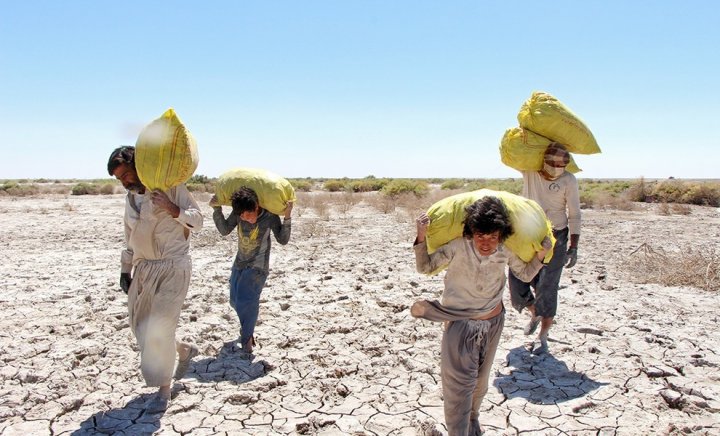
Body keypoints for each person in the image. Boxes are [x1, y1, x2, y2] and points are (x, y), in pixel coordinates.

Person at [412, 196, 550, 436]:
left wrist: (542, 254)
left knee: (480, 383)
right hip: (460, 325)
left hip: (493, 323)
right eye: (480, 236)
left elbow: (526, 275)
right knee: (459, 386)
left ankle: (473, 420)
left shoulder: (505, 252)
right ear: (470, 232)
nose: (486, 243)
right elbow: (425, 267)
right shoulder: (457, 247)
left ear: (501, 235)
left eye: (493, 237)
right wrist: (421, 235)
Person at [107, 146, 203, 413]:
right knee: (141, 327)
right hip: (144, 269)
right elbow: (130, 236)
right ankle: (183, 350)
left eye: (126, 174)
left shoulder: (172, 188)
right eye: (119, 179)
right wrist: (125, 269)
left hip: (173, 267)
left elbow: (198, 222)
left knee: (160, 326)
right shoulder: (131, 199)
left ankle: (164, 390)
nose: (125, 182)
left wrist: (173, 208)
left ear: (140, 166)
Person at [508, 142, 581, 354]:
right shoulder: (530, 172)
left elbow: (574, 214)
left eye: (562, 165)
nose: (557, 169)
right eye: (553, 164)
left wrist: (573, 246)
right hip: (527, 234)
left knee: (548, 287)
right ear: (544, 161)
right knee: (517, 281)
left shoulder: (569, 180)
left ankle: (543, 336)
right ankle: (534, 312)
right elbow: (513, 153)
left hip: (556, 235)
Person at [210, 187, 292, 354]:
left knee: (246, 300)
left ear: (256, 207)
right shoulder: (239, 213)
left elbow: (282, 240)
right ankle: (246, 329)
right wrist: (216, 209)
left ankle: (247, 339)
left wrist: (288, 217)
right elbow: (224, 230)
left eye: (248, 214)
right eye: (241, 216)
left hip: (258, 266)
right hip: (239, 263)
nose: (245, 218)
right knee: (234, 301)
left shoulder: (269, 217)